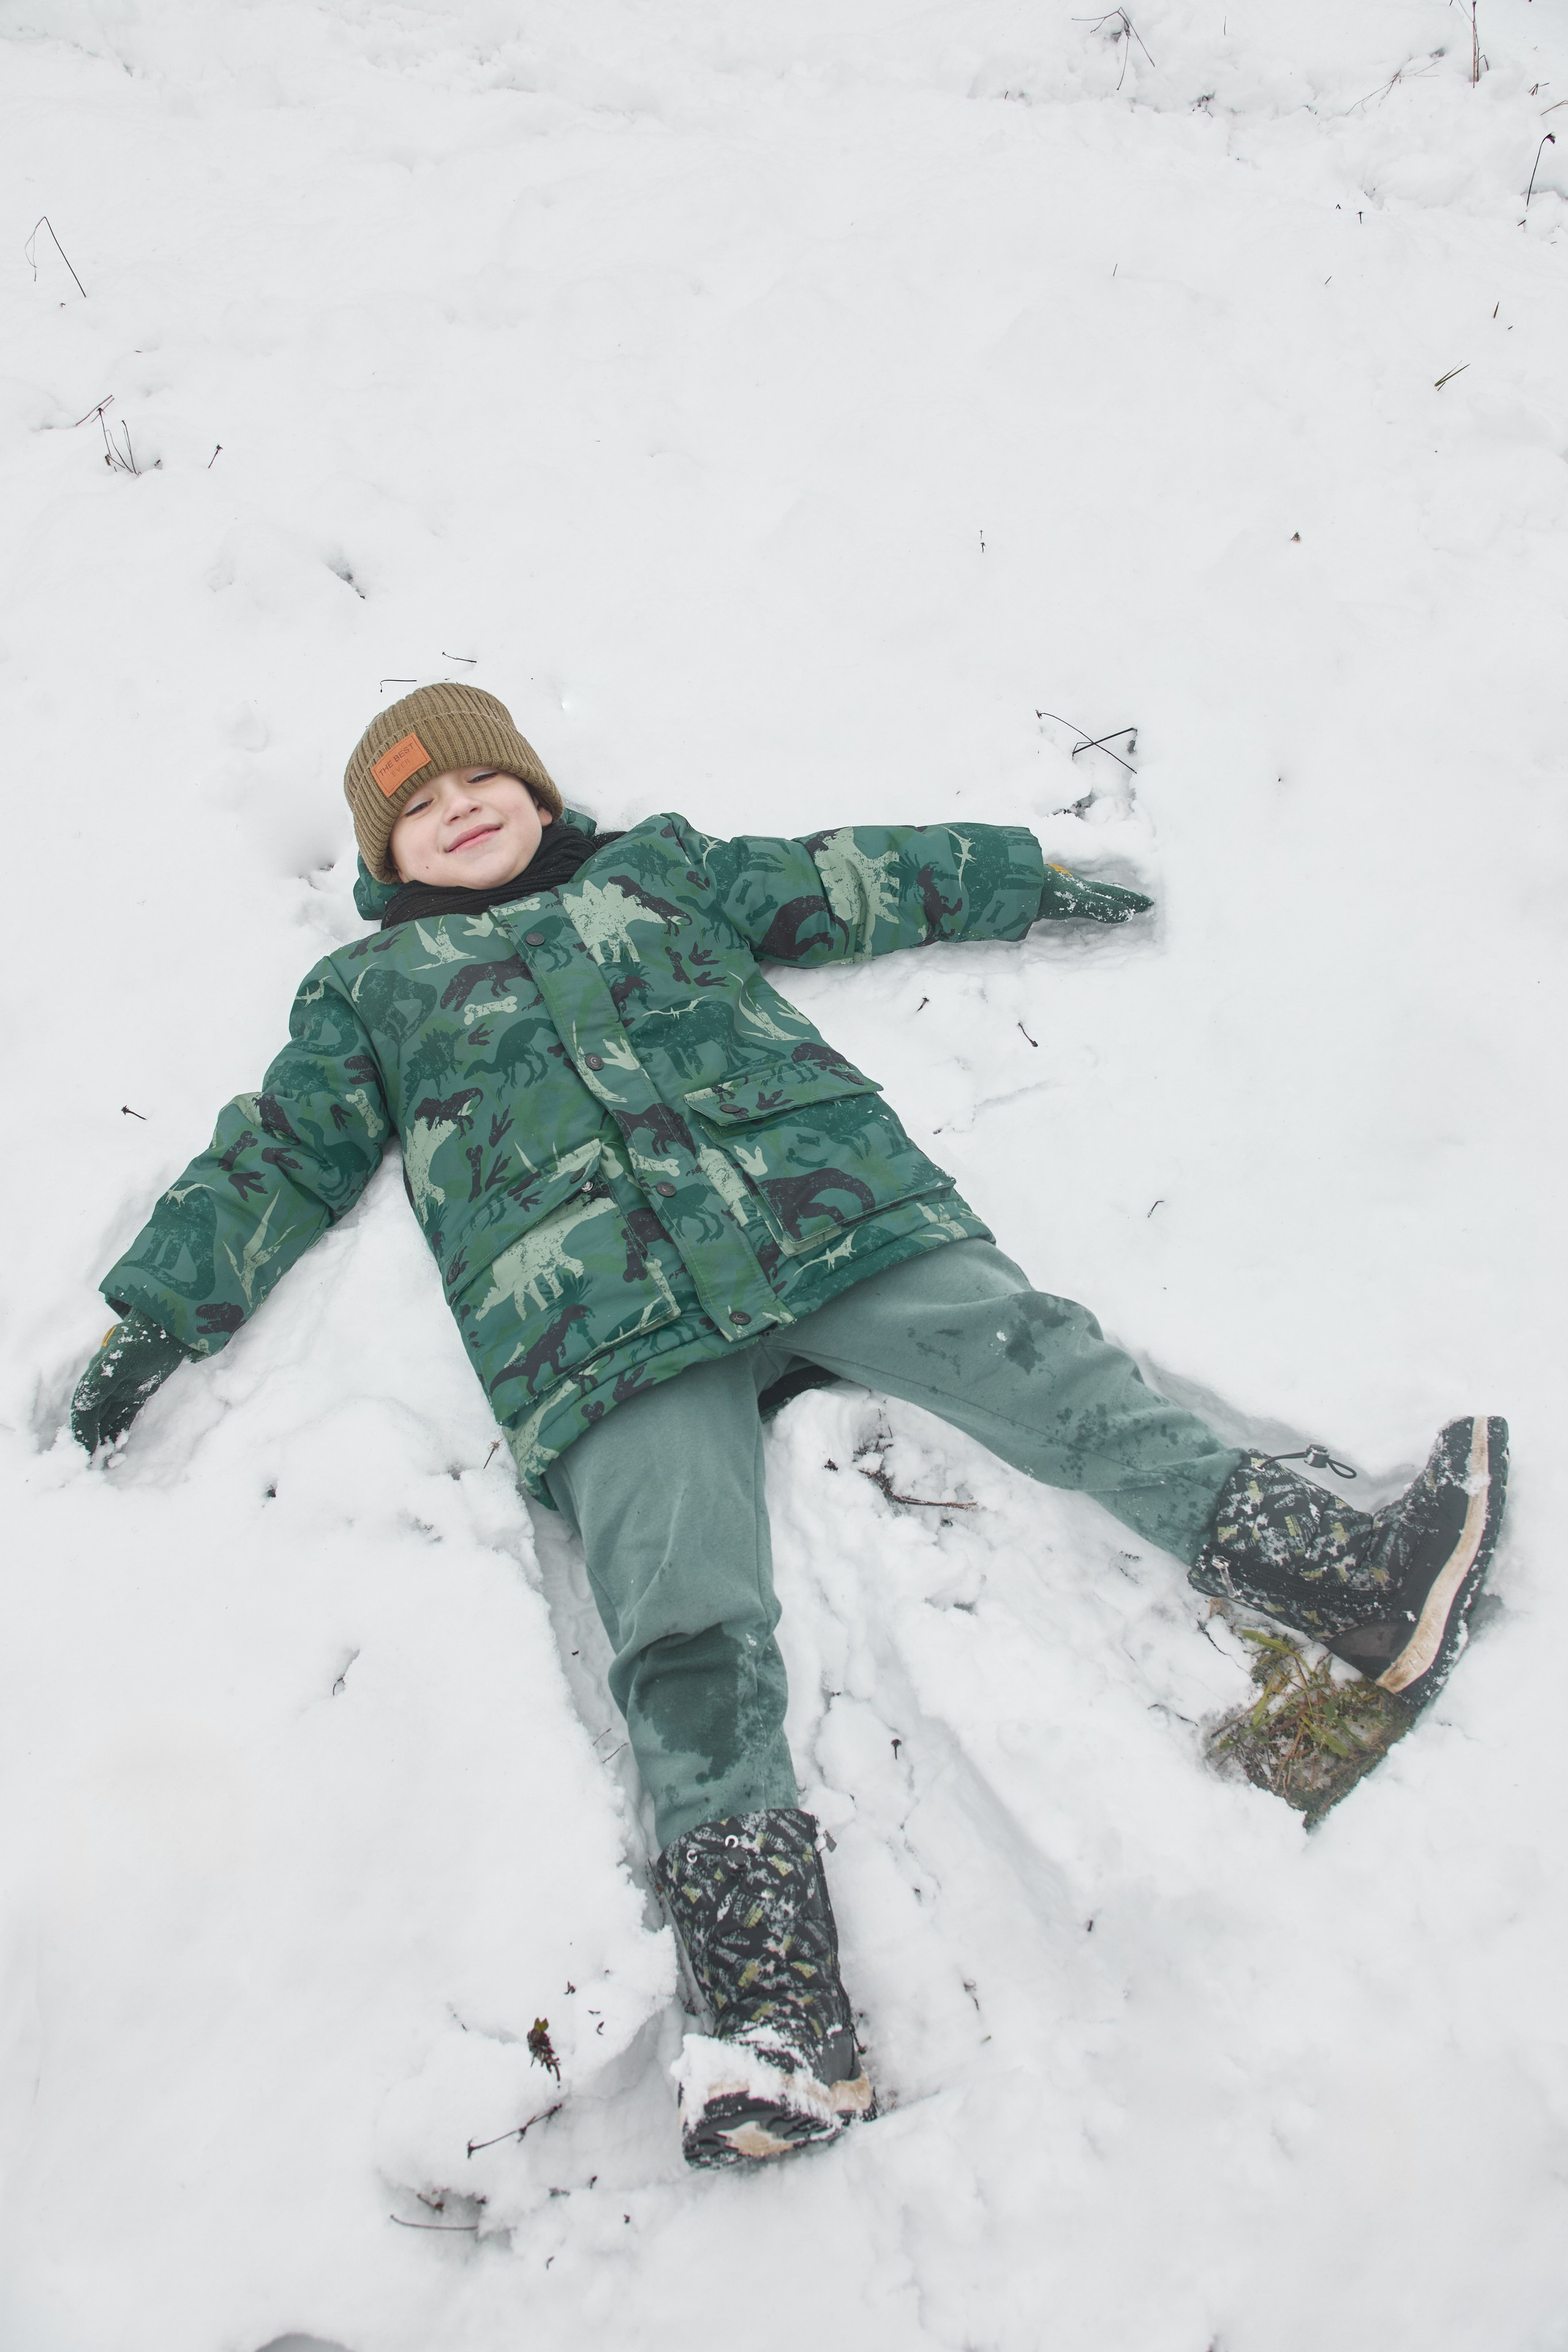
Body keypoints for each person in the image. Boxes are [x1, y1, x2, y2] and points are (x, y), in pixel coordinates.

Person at [71, 683, 1509, 2169]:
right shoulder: (370, 995)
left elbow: (842, 879)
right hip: (600, 1331)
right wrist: (158, 1322)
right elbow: (275, 1157)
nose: (461, 813)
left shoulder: (662, 872)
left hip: (833, 1221)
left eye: (480, 784)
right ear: (390, 860)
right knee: (683, 1629)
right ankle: (768, 2026)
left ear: (536, 791)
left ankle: (1348, 1576)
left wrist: (1023, 880)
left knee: (1053, 1376)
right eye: (421, 811)